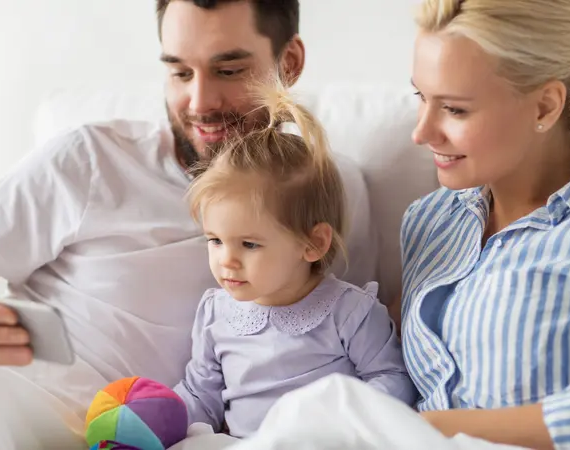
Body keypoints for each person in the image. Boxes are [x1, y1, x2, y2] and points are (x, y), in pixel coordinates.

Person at [0, 1, 375, 448]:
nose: (199, 103)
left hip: (142, 434)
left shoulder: (331, 192)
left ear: (288, 63)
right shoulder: (90, 159)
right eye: (179, 71)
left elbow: (352, 334)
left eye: (229, 70)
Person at [225, 1, 570, 450]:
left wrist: (427, 429)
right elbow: (373, 348)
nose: (421, 132)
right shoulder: (433, 222)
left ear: (545, 106)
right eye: (421, 97)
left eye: (455, 109)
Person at [172, 82, 415, 438]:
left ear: (313, 244)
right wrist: (159, 421)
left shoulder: (350, 313)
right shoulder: (215, 314)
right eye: (215, 241)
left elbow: (393, 380)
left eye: (249, 245)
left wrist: (338, 426)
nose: (227, 261)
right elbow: (200, 394)